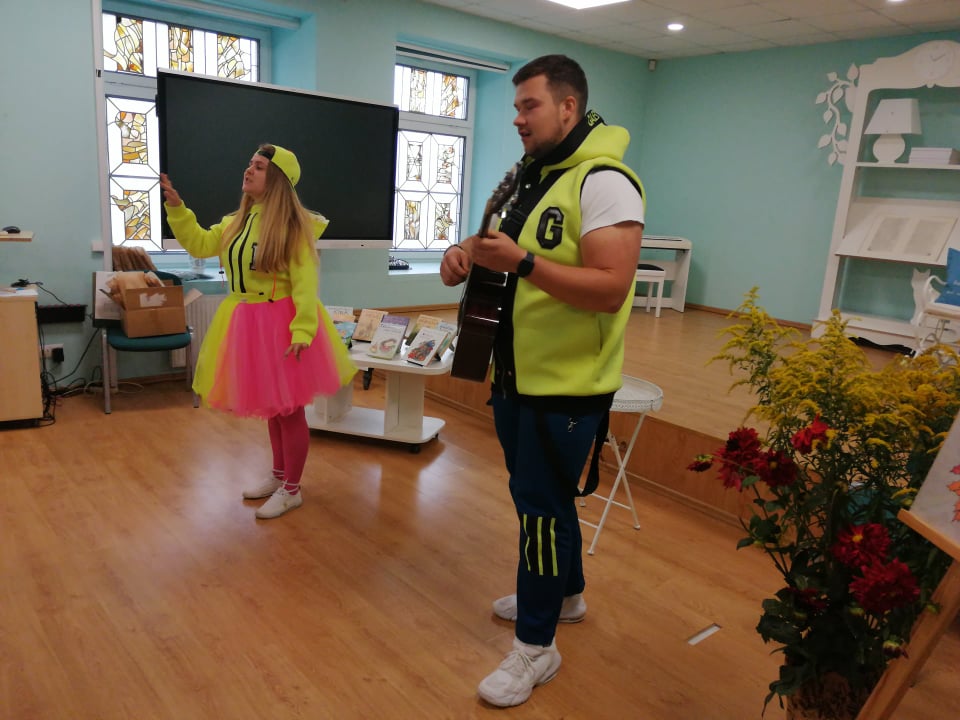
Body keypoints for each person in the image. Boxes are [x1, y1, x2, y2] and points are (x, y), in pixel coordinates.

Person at [440, 55, 645, 707]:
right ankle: (568, 596)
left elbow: (610, 289)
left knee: (538, 508)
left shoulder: (606, 183)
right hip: (515, 374)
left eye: (529, 105)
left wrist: (523, 263)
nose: (518, 119)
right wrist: (462, 254)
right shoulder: (530, 177)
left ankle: (535, 646)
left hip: (567, 385)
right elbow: (496, 251)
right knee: (543, 499)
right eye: (516, 107)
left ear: (568, 107)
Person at [160, 144, 355, 519]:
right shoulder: (235, 221)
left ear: (278, 179)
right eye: (249, 164)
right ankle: (279, 475)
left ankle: (292, 489)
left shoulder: (292, 228)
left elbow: (305, 284)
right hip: (245, 320)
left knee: (289, 410)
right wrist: (178, 209)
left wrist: (302, 331)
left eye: (259, 166)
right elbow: (200, 243)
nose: (248, 170)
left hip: (281, 324)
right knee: (273, 408)